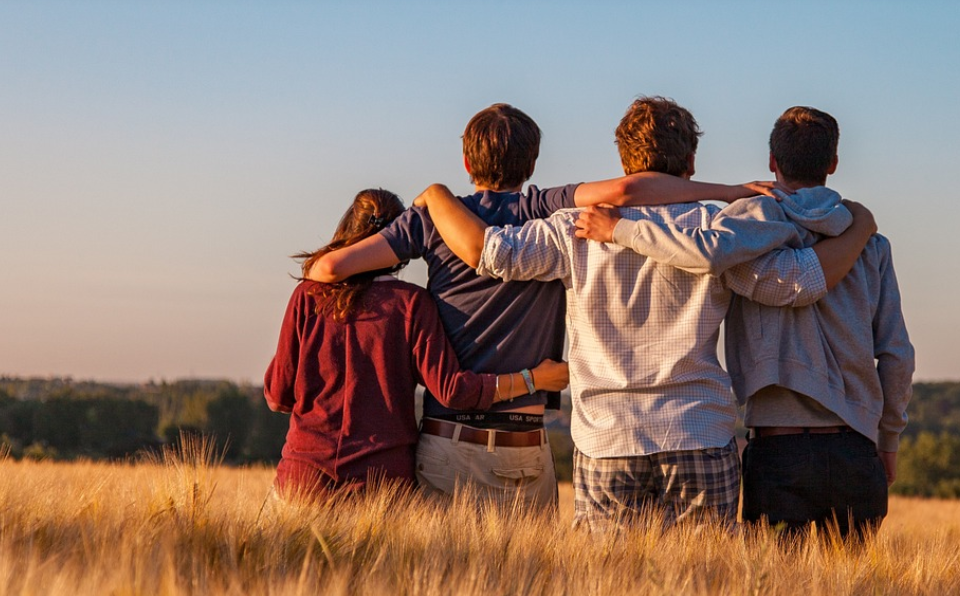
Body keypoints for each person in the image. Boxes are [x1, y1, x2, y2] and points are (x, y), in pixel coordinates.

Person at [412, 97, 876, 530]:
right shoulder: (718, 229)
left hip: (607, 438)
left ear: (623, 162)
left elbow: (491, 253)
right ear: (691, 164)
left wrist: (436, 196)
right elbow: (795, 284)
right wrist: (858, 230)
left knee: (608, 595)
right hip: (698, 431)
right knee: (707, 590)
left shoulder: (572, 228)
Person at [304, 103, 782, 510]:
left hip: (449, 437)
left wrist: (431, 199)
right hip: (526, 441)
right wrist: (729, 192)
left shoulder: (433, 220)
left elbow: (328, 271)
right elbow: (625, 191)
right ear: (532, 162)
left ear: (466, 161)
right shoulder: (544, 208)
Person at [576, 106, 913, 541]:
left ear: (772, 162)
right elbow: (897, 354)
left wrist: (621, 229)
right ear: (832, 164)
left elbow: (706, 253)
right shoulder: (870, 243)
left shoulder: (743, 229)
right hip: (857, 448)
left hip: (778, 449)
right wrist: (888, 439)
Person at [263, 188, 569, 501]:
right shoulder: (411, 304)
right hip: (382, 486)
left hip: (303, 479)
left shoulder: (308, 296)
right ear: (400, 241)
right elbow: (453, 391)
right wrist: (534, 379)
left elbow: (278, 396)